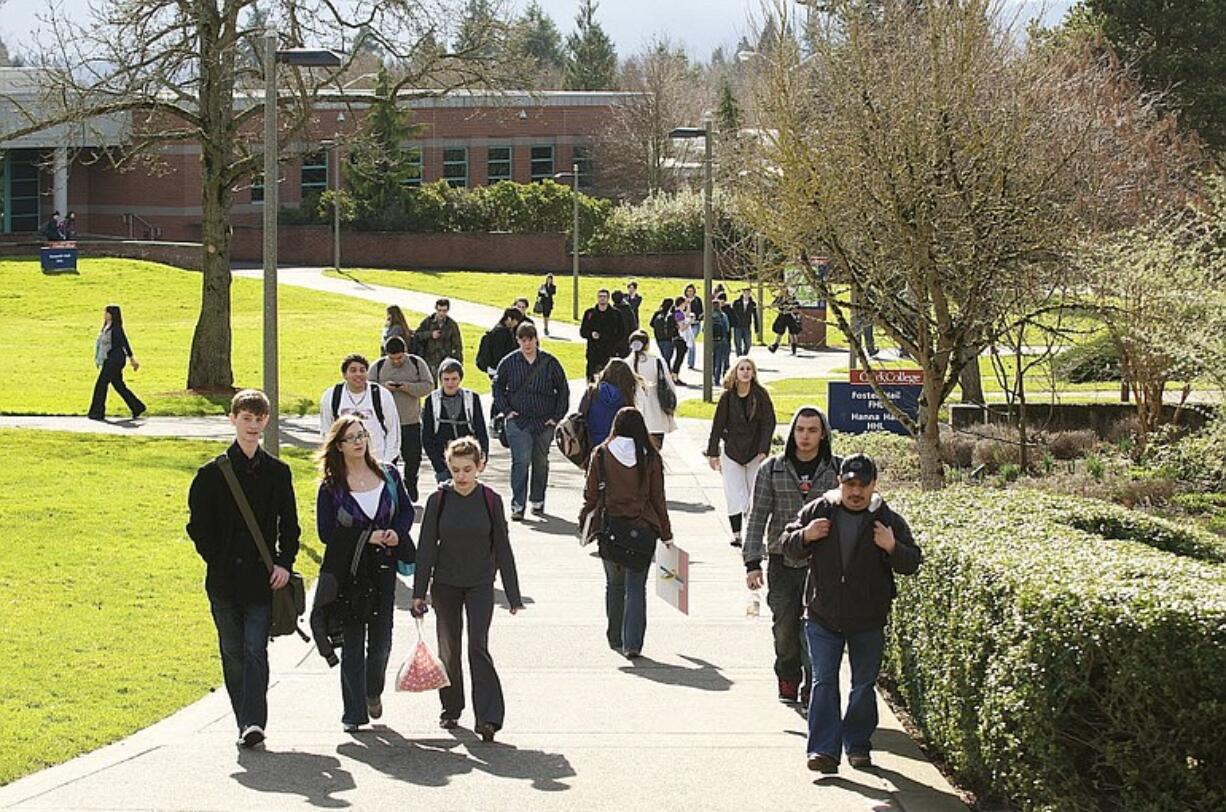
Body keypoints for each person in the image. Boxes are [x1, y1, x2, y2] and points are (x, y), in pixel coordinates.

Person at [781, 453, 922, 774]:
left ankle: (858, 745)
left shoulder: (887, 519)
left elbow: (912, 562)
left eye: (863, 485)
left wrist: (891, 547)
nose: (855, 492)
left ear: (874, 485)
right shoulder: (819, 510)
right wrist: (805, 535)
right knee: (824, 681)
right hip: (822, 614)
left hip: (868, 618)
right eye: (849, 484)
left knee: (862, 685)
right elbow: (786, 543)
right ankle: (823, 751)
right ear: (839, 483)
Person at [187, 389, 301, 748]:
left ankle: (254, 721)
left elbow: (291, 526)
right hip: (223, 581)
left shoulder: (278, 473)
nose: (253, 426)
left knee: (256, 648)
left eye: (259, 419)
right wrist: (217, 559)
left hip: (261, 580)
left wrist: (284, 563)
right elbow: (198, 527)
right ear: (232, 420)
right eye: (246, 419)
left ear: (267, 421)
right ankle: (243, 719)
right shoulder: (210, 474)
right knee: (232, 650)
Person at [412, 437, 523, 741]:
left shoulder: (490, 500)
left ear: (480, 467)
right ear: (448, 467)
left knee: (477, 645)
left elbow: (502, 546)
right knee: (449, 648)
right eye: (455, 469)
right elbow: (426, 549)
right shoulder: (439, 500)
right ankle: (451, 708)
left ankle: (488, 717)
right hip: (446, 583)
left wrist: (513, 594)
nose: (461, 476)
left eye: (467, 469)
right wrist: (418, 593)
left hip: (480, 583)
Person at [316, 414, 415, 732]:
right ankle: (353, 713)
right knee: (354, 643)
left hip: (384, 569)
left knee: (382, 642)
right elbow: (326, 532)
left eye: (362, 435)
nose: (359, 442)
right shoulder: (331, 486)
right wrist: (366, 536)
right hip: (350, 573)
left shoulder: (388, 474)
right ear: (339, 446)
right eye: (351, 438)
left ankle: (373, 691)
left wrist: (396, 534)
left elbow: (406, 512)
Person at [744, 406, 840, 707]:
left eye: (812, 430)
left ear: (823, 433)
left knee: (815, 628)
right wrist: (751, 562)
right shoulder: (772, 468)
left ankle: (815, 685)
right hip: (781, 560)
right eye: (800, 430)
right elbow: (757, 516)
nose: (805, 436)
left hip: (822, 564)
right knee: (784, 625)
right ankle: (788, 674)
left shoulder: (836, 470)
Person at [578, 407, 673, 658]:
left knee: (614, 585)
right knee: (636, 587)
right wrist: (666, 533)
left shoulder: (601, 454)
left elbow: (591, 495)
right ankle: (633, 643)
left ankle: (615, 636)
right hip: (642, 530)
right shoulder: (650, 457)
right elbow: (658, 498)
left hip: (611, 528)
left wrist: (584, 523)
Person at [492, 323, 570, 520]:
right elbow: (497, 387)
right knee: (521, 461)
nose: (527, 344)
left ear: (536, 339)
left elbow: (562, 389)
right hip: (518, 421)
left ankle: (538, 499)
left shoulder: (550, 362)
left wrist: (556, 417)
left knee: (540, 461)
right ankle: (518, 504)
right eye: (523, 340)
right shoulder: (509, 362)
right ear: (518, 341)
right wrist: (507, 411)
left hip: (544, 421)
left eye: (530, 339)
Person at [705, 358, 777, 547]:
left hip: (755, 452)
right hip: (732, 451)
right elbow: (718, 425)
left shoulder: (760, 395)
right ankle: (737, 534)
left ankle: (754, 534)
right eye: (742, 369)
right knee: (735, 493)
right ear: (735, 372)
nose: (745, 372)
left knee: (755, 494)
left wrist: (763, 449)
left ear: (753, 373)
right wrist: (712, 452)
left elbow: (768, 423)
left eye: (749, 369)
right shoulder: (727, 397)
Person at [370, 336, 434, 502]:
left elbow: (428, 386)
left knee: (413, 459)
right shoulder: (378, 367)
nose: (397, 361)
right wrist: (384, 389)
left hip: (410, 422)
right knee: (388, 461)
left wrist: (408, 387)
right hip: (386, 425)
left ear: (405, 352)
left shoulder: (416, 363)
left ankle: (410, 483)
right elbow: (369, 390)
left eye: (399, 358)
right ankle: (391, 491)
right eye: (393, 358)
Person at [319, 354, 402, 466]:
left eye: (362, 370)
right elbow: (327, 432)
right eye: (353, 370)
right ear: (344, 375)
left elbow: (393, 431)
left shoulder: (381, 395)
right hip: (344, 463)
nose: (358, 374)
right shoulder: (331, 396)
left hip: (377, 461)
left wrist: (386, 463)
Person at [421, 358, 490, 482]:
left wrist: (483, 456)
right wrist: (438, 465)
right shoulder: (431, 400)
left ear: (460, 379)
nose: (450, 383)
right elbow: (426, 436)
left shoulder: (472, 398)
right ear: (440, 380)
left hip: (468, 458)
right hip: (443, 461)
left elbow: (480, 430)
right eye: (446, 379)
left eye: (454, 379)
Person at [89, 304, 147, 420]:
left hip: (114, 360)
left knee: (101, 384)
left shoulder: (116, 328)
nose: (104, 315)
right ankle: (137, 407)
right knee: (119, 385)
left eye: (107, 313)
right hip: (108, 360)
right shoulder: (106, 327)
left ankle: (97, 412)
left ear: (112, 315)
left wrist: (131, 359)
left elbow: (124, 343)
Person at [623, 329, 677, 448]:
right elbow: (669, 385)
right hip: (656, 410)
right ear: (647, 344)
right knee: (656, 449)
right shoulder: (657, 361)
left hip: (634, 410)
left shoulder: (626, 363)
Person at [585, 358, 640, 449]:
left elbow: (581, 414)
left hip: (591, 441)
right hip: (616, 446)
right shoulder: (626, 398)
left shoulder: (592, 392)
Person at [580, 289, 625, 382]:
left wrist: (615, 345)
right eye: (600, 296)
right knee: (592, 380)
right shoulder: (590, 313)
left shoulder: (616, 314)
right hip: (593, 352)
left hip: (609, 352)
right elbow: (583, 331)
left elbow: (622, 332)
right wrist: (591, 334)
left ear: (608, 299)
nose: (602, 299)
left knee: (609, 379)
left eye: (604, 297)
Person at [415, 298, 464, 377]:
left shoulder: (452, 325)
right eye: (439, 310)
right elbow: (417, 335)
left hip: (445, 358)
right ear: (436, 309)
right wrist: (430, 334)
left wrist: (459, 362)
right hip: (429, 358)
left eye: (444, 311)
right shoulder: (428, 322)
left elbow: (457, 345)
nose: (441, 313)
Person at [476, 307, 523, 379]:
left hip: (494, 368)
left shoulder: (498, 329)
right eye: (516, 320)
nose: (516, 323)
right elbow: (499, 353)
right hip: (499, 369)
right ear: (509, 319)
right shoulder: (503, 332)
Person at [649, 297, 679, 373]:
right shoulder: (674, 314)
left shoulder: (657, 313)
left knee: (665, 357)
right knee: (667, 359)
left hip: (659, 338)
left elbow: (651, 324)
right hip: (669, 339)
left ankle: (666, 372)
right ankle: (667, 374)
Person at [769, 288, 803, 355]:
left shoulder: (792, 298)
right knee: (780, 332)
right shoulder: (780, 298)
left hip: (790, 316)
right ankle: (775, 346)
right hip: (782, 316)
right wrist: (779, 304)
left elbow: (798, 307)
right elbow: (773, 305)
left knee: (793, 332)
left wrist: (792, 308)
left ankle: (794, 348)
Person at [709, 296, 732, 383]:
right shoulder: (723, 316)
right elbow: (727, 328)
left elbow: (704, 329)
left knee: (712, 359)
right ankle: (717, 378)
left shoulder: (709, 316)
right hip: (721, 340)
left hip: (711, 341)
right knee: (719, 360)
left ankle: (711, 376)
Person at [731, 288, 760, 357]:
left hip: (747, 326)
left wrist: (756, 328)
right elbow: (732, 314)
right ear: (743, 293)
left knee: (748, 343)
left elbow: (755, 316)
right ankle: (739, 356)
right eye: (745, 293)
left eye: (748, 293)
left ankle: (744, 354)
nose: (747, 294)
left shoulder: (752, 304)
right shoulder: (736, 303)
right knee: (738, 343)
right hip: (737, 326)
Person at [681, 284, 704, 369]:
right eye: (688, 291)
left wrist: (698, 317)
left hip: (695, 324)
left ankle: (691, 362)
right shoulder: (683, 300)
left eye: (691, 291)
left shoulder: (698, 300)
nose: (689, 293)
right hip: (685, 325)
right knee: (686, 342)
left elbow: (701, 312)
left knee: (692, 341)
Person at [671, 296, 691, 384]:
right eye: (685, 303)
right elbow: (682, 327)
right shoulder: (678, 313)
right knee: (679, 358)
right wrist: (690, 322)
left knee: (679, 358)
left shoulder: (679, 312)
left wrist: (689, 305)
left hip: (680, 339)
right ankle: (674, 376)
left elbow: (686, 314)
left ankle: (675, 375)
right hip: (680, 339)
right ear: (681, 303)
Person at [610, 290, 635, 358]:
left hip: (614, 340)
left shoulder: (611, 311)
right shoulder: (627, 310)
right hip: (625, 339)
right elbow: (633, 324)